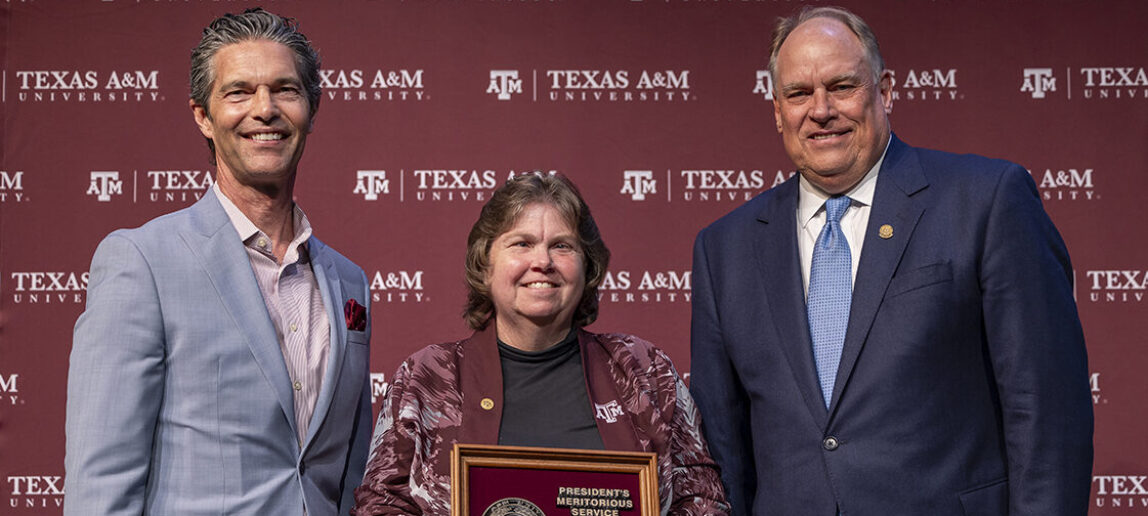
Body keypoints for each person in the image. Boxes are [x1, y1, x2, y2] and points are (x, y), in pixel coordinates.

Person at [689, 6, 1092, 515]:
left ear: (885, 90)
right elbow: (722, 453)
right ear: (776, 110)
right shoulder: (724, 248)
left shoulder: (986, 202)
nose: (820, 110)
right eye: (798, 94)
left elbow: (1048, 414)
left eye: (841, 86)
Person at [64, 9, 372, 515]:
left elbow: (348, 472)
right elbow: (101, 478)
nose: (264, 109)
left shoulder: (348, 281)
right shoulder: (142, 261)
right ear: (203, 116)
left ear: (312, 110)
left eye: (285, 90)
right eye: (239, 92)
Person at [352, 173, 728, 515]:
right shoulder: (428, 378)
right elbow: (381, 505)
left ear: (587, 267)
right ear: (485, 263)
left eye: (562, 246)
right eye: (522, 243)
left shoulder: (644, 370)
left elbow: (703, 502)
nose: (542, 261)